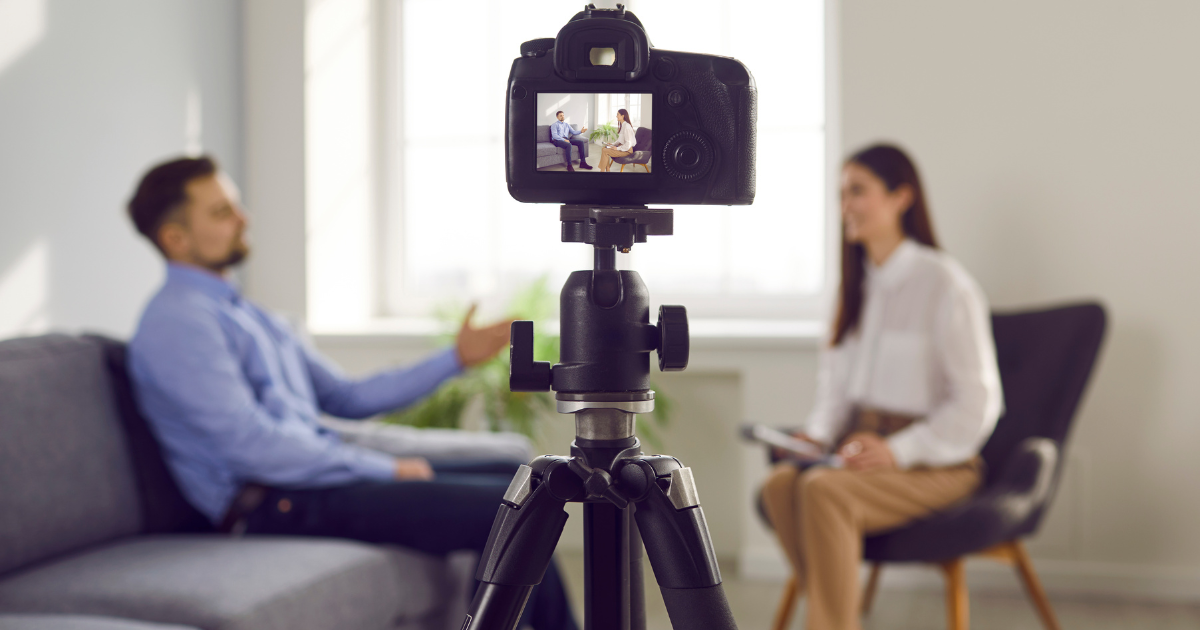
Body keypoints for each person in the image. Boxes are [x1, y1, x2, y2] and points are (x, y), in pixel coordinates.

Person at [125, 156, 577, 630]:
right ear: (174, 238)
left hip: (309, 479)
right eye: (221, 213)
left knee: (522, 479)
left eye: (236, 205)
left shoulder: (247, 315)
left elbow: (346, 396)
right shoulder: (177, 323)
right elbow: (250, 445)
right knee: (506, 512)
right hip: (270, 503)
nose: (244, 218)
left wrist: (456, 358)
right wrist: (384, 469)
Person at [758, 144, 1003, 630]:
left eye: (857, 191)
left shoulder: (946, 285)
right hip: (859, 452)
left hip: (938, 461)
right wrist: (816, 437)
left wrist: (898, 451)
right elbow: (836, 391)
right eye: (841, 194)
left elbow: (977, 405)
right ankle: (835, 616)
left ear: (901, 197)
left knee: (825, 493)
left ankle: (829, 621)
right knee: (780, 485)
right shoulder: (853, 288)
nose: (845, 205)